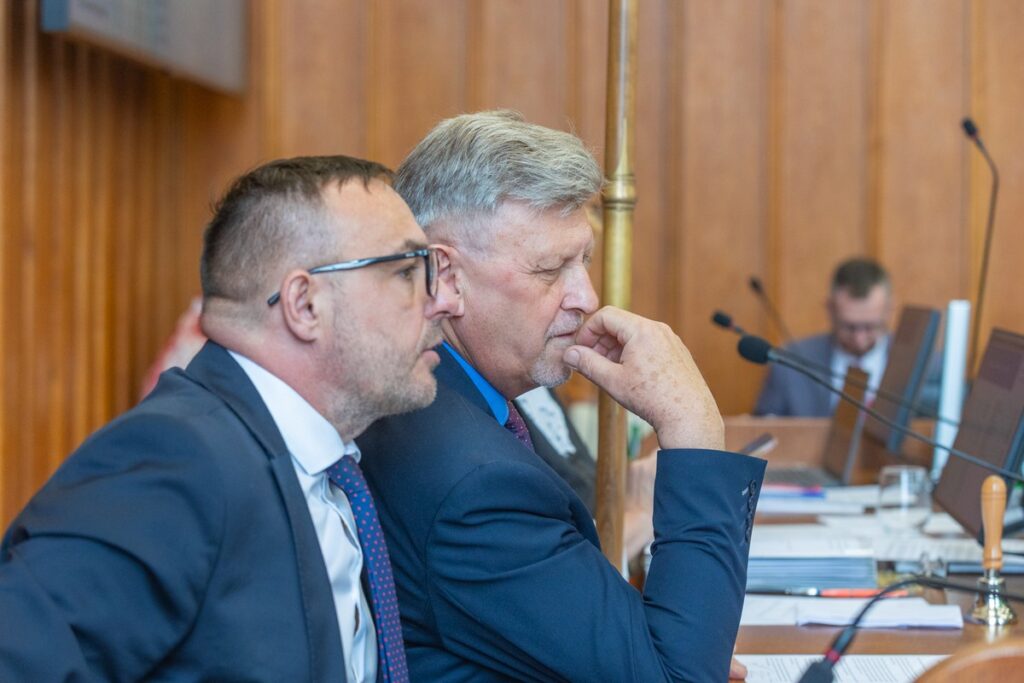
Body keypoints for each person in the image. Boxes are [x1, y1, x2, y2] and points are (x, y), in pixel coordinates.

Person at [0, 155, 456, 681]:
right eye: (405, 271)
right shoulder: (178, 458)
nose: (440, 301)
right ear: (304, 305)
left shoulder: (333, 465)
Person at [357, 110, 765, 682]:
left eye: (585, 261)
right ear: (445, 276)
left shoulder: (457, 400)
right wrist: (694, 429)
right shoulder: (471, 484)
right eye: (551, 270)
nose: (586, 297)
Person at [754, 257, 893, 417]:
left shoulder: (922, 364)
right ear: (830, 309)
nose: (859, 339)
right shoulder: (790, 362)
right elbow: (764, 429)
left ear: (888, 310)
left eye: (869, 327)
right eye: (849, 327)